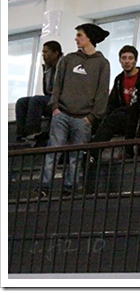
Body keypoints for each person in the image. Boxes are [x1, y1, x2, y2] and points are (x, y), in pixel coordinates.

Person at [37, 24, 110, 198]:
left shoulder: (102, 63)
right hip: (62, 113)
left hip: (84, 118)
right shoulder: (68, 59)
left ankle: (70, 189)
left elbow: (102, 92)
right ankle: (44, 187)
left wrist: (92, 117)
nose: (76, 38)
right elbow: (57, 85)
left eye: (79, 35)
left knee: (76, 156)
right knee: (52, 151)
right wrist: (55, 107)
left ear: (89, 38)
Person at [88, 45, 140, 161]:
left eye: (130, 58)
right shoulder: (119, 79)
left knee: (112, 119)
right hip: (122, 117)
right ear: (120, 60)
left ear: (135, 60)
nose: (127, 61)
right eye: (124, 58)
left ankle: (92, 153)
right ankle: (89, 153)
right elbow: (112, 103)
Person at [15, 40, 62, 143]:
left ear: (55, 53)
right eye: (43, 52)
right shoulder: (48, 68)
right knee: (21, 102)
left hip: (61, 100)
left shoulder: (64, 66)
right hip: (50, 97)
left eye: (46, 52)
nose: (43, 55)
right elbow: (47, 90)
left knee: (36, 100)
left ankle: (32, 132)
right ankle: (21, 135)